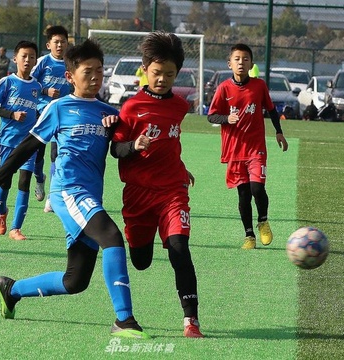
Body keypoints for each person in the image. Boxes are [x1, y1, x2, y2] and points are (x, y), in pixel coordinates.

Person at [0, 38, 149, 339]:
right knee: (111, 236)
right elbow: (26, 146)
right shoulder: (59, 107)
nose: (95, 77)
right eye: (87, 71)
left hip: (90, 196)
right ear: (70, 76)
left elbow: (119, 151)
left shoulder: (108, 112)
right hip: (68, 190)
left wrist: (124, 139)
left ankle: (11, 290)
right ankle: (124, 320)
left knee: (75, 281)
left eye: (99, 71)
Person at [110, 31, 204, 338]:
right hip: (137, 196)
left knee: (179, 249)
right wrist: (134, 146)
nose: (162, 79)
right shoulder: (131, 107)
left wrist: (181, 167)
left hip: (172, 191)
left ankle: (191, 321)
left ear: (177, 74)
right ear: (145, 70)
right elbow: (116, 150)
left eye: (169, 74)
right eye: (156, 72)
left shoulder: (180, 106)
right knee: (140, 261)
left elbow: (170, 141)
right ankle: (140, 244)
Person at [207, 43, 288, 250]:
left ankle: (263, 220)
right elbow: (211, 116)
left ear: (251, 63)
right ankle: (249, 235)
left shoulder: (259, 86)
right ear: (229, 63)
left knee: (257, 188)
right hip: (235, 151)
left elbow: (271, 110)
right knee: (243, 194)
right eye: (237, 59)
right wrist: (227, 118)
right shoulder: (224, 88)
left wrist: (279, 132)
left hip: (256, 148)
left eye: (245, 59)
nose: (241, 62)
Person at [0, 40, 41, 241]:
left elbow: (41, 109)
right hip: (8, 141)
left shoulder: (37, 86)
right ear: (15, 58)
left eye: (32, 57)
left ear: (36, 60)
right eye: (24, 56)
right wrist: (11, 114)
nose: (27, 60)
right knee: (4, 182)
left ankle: (16, 228)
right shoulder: (7, 82)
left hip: (28, 143)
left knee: (25, 181)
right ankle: (1, 213)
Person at [31, 25, 72, 209]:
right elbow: (28, 83)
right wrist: (45, 90)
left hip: (61, 114)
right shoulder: (42, 62)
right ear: (49, 45)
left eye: (63, 41)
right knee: (37, 152)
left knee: (57, 154)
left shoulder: (71, 63)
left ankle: (52, 197)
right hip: (41, 112)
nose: (60, 45)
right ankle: (40, 179)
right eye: (56, 42)